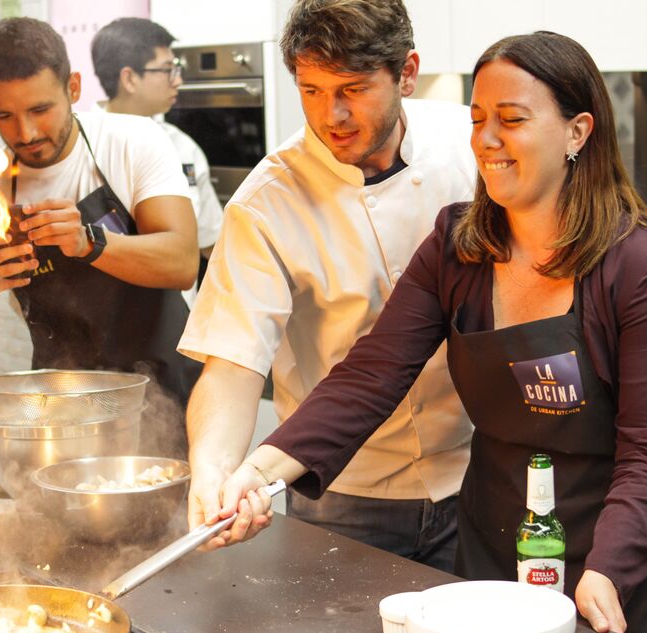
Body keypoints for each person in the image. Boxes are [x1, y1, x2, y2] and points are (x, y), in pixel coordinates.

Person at [214, 31, 647, 633]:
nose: (486, 140)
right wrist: (259, 469)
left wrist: (607, 569)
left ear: (577, 132)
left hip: (624, 541)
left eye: (511, 120)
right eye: (478, 118)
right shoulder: (456, 246)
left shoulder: (639, 265)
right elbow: (369, 377)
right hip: (501, 531)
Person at [178, 0, 476, 572]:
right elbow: (233, 362)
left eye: (353, 89)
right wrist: (213, 469)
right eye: (311, 90)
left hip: (477, 470)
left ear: (407, 73)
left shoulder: (469, 144)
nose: (331, 115)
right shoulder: (267, 201)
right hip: (343, 488)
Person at [0, 17, 202, 405]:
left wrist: (88, 243)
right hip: (65, 404)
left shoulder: (132, 141)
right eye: (4, 116)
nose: (25, 133)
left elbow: (182, 263)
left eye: (40, 109)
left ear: (73, 88)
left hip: (168, 391)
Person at [90, 17, 224, 306]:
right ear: (129, 78)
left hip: (180, 326)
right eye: (167, 70)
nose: (178, 80)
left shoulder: (182, 146)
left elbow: (213, 244)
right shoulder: (84, 145)